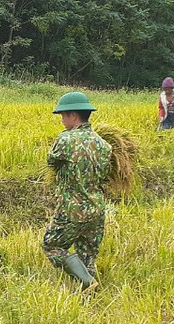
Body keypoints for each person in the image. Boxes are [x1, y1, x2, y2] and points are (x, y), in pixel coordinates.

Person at [44, 91, 112, 293]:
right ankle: (89, 296)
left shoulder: (65, 140)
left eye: (64, 116)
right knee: (87, 255)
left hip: (72, 209)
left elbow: (51, 161)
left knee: (52, 246)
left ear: (74, 116)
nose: (63, 121)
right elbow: (106, 175)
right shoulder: (104, 144)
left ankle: (88, 283)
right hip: (97, 208)